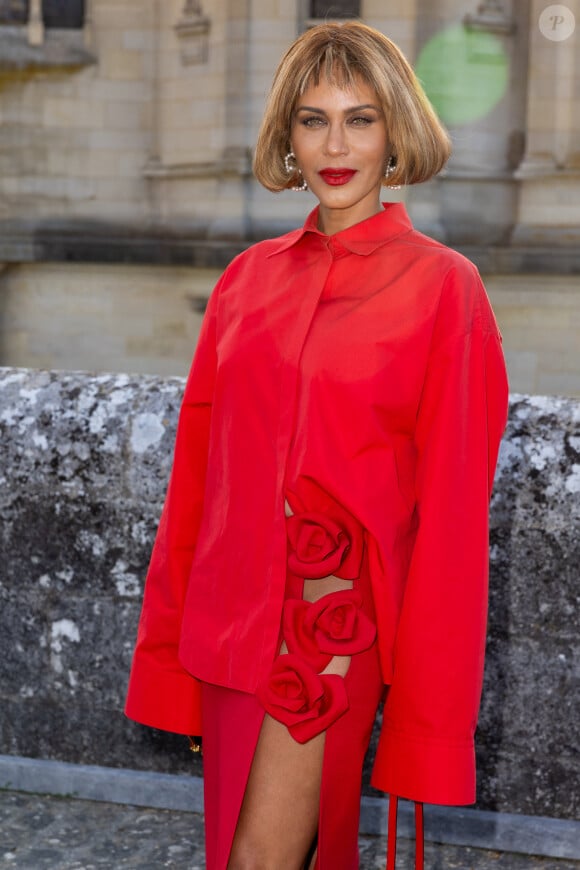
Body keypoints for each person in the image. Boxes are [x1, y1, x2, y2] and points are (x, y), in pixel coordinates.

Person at [125, 21, 509, 870]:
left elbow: (452, 519)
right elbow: (198, 481)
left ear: (396, 132)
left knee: (260, 858)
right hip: (228, 627)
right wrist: (168, 650)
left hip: (330, 632)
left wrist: (428, 722)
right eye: (313, 120)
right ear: (288, 138)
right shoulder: (244, 280)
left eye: (361, 119)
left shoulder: (448, 289)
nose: (336, 145)